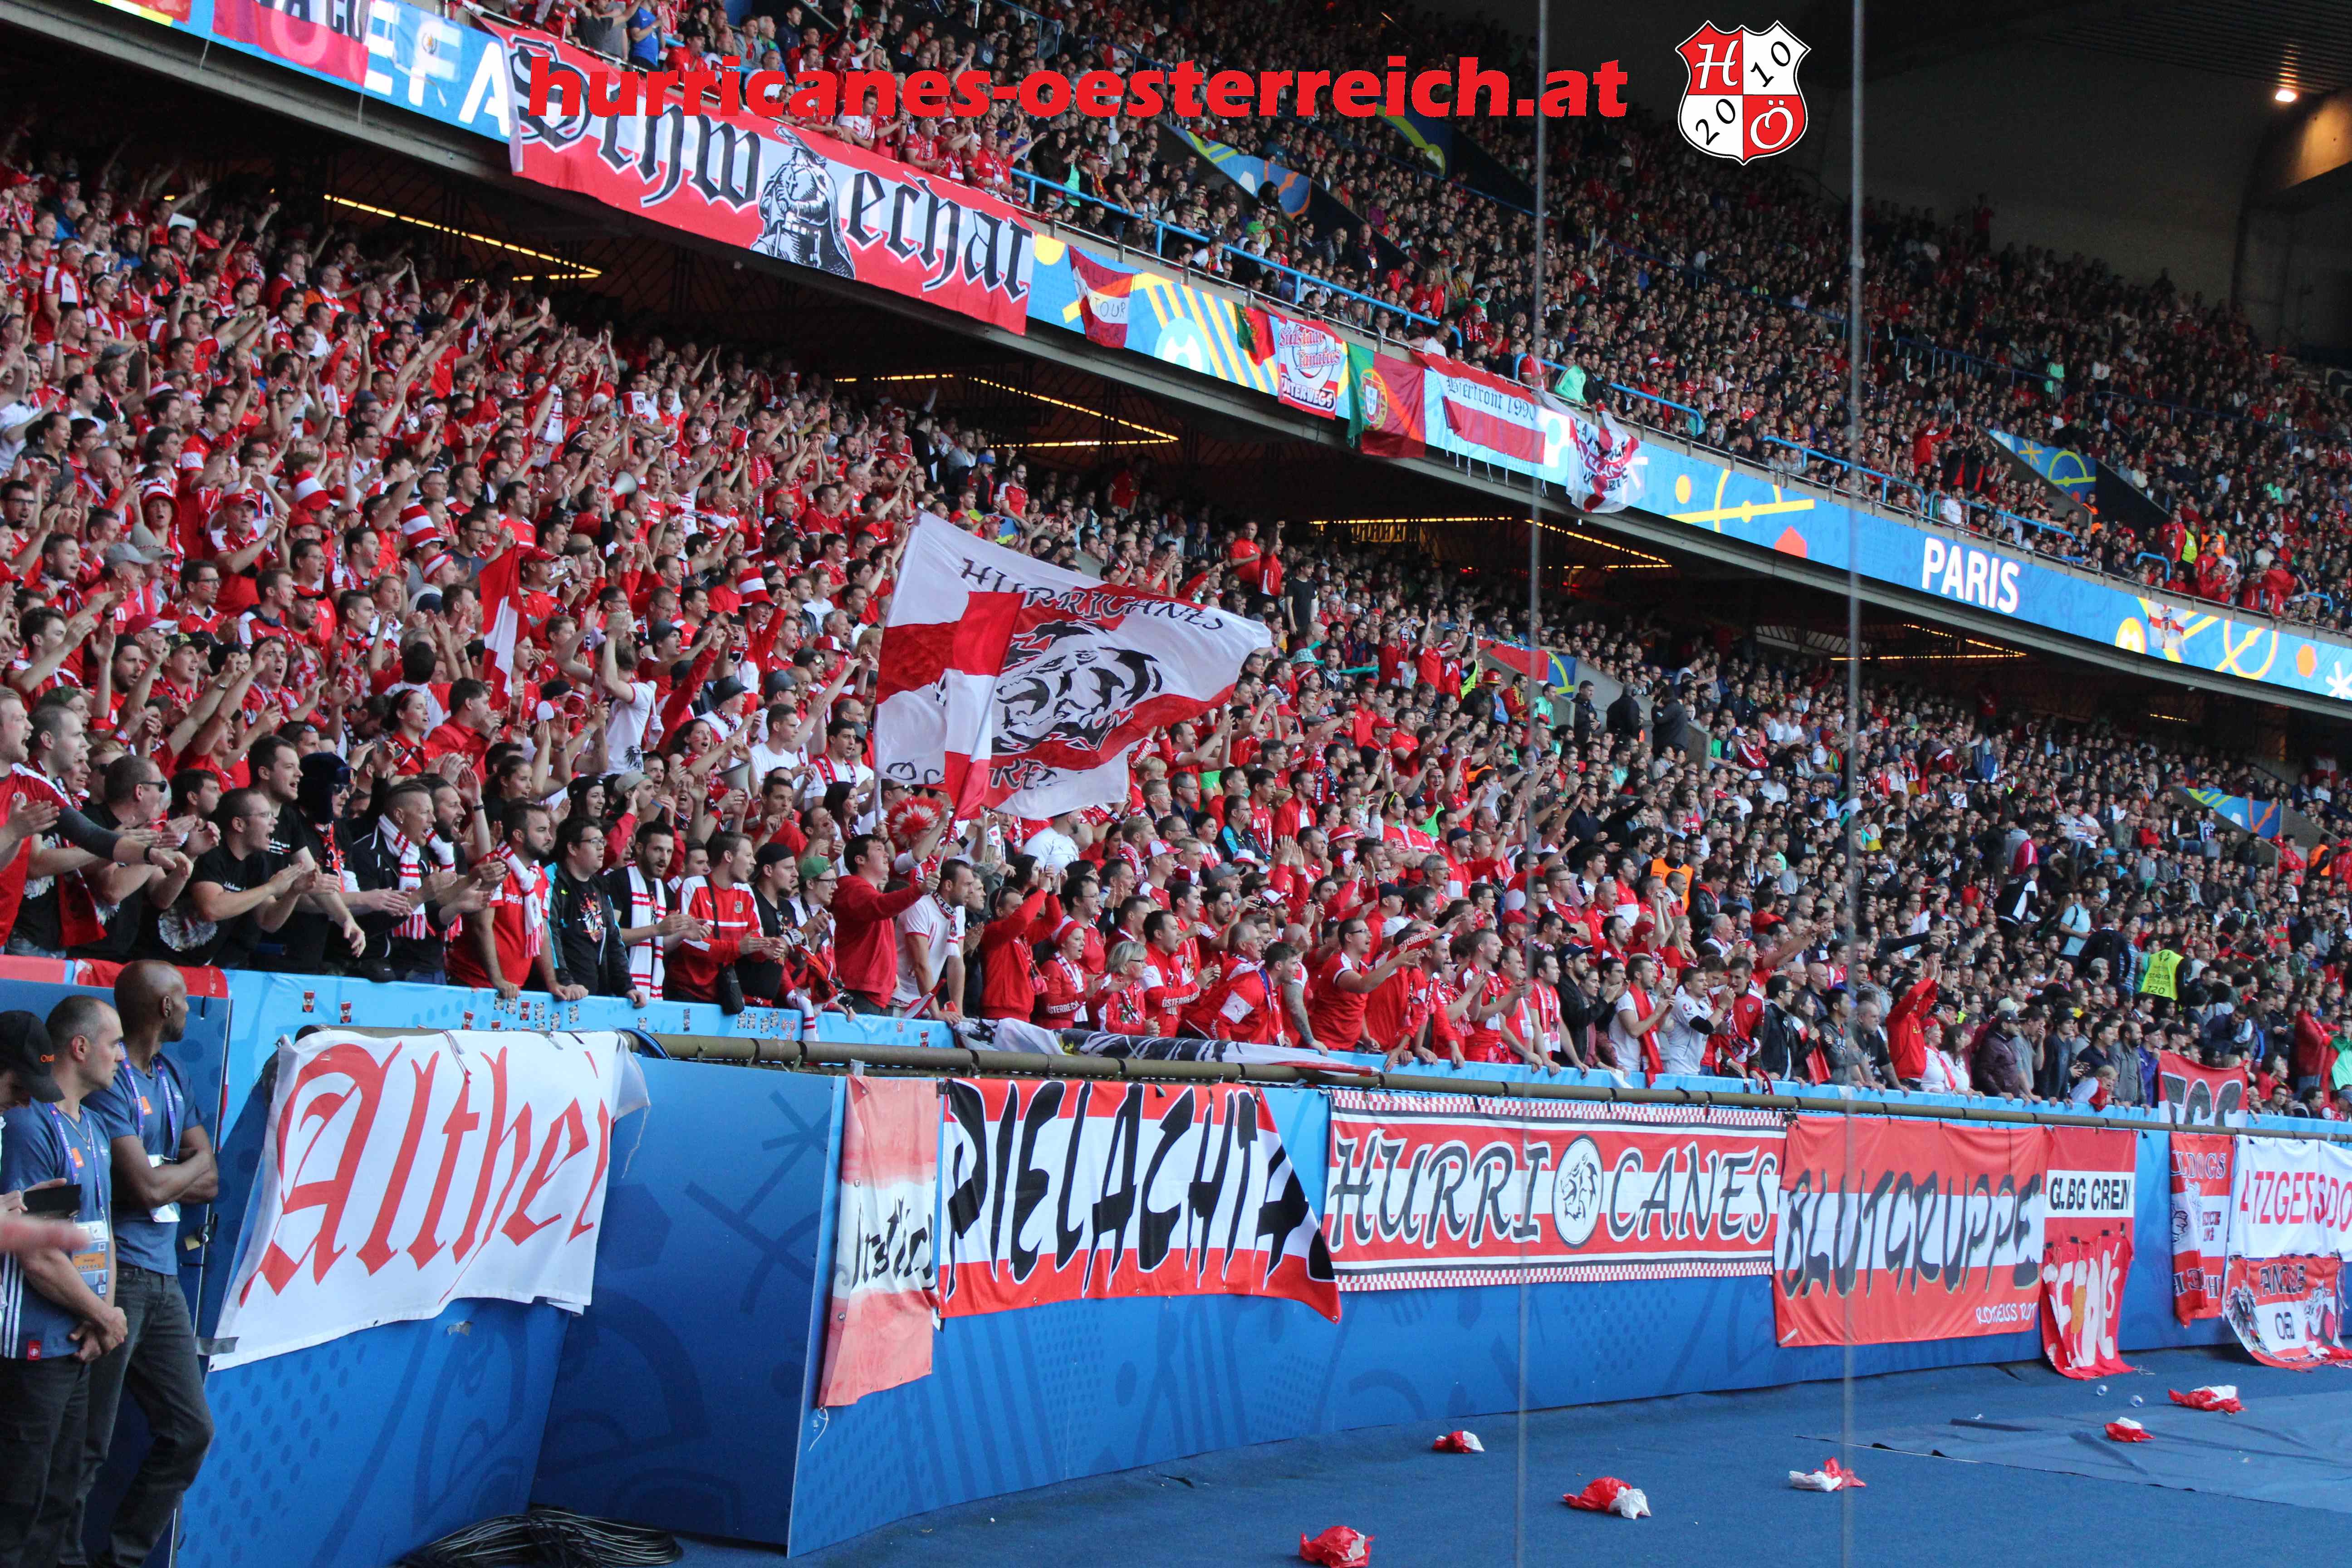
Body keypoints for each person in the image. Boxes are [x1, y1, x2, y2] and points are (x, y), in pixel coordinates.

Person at [68, 969, 214, 1568]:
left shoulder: (174, 1076)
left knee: (191, 1432)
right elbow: (149, 1187)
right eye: (182, 997)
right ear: (165, 1005)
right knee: (87, 1445)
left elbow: (211, 1178)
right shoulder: (109, 1080)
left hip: (165, 1279)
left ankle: (120, 1560)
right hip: (118, 1275)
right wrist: (178, 1172)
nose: (189, 1007)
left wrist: (166, 1175)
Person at [0, 1007, 127, 1568]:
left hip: (77, 1336)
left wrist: (104, 1314)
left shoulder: (92, 1127)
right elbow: (39, 1254)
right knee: (17, 1502)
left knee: (60, 1493)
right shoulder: (28, 1128)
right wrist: (103, 1316)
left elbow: (96, 1230)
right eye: (113, 1043)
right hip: (32, 1344)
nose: (121, 1057)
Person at [446, 803, 573, 1003]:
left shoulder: (539, 876)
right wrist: (498, 980)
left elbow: (542, 933)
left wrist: (552, 983)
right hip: (474, 985)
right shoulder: (495, 867)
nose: (549, 837)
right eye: (541, 830)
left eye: (549, 830)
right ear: (519, 836)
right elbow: (481, 926)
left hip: (512, 989)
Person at [832, 828, 943, 1013]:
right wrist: (920, 889)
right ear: (860, 860)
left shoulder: (870, 893)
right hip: (858, 990)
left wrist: (890, 974)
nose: (886, 854)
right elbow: (880, 906)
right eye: (878, 849)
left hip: (872, 990)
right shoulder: (851, 887)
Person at [549, 815, 636, 1001]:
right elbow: (549, 934)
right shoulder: (551, 879)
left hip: (595, 997)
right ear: (572, 848)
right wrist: (565, 981)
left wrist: (627, 987)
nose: (601, 848)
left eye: (602, 842)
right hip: (560, 996)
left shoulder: (600, 887)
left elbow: (614, 939)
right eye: (594, 842)